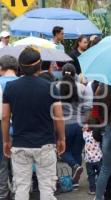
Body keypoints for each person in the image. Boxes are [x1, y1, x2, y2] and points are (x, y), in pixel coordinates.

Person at [1, 47, 65, 200]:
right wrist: (61, 138)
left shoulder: (11, 87)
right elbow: (59, 117)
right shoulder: (51, 87)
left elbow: (4, 116)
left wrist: (6, 141)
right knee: (47, 189)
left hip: (20, 143)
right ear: (39, 65)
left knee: (21, 188)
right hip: (45, 144)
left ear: (20, 67)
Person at [59, 63, 93, 188]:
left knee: (62, 150)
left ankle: (75, 167)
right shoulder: (82, 88)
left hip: (64, 125)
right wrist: (84, 122)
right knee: (77, 152)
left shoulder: (56, 87)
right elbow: (88, 108)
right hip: (79, 125)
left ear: (62, 74)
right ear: (75, 75)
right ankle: (76, 182)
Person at [0, 55, 18, 200]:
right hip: (21, 128)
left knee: (2, 163)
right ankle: (20, 193)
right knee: (20, 164)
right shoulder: (23, 82)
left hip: (2, 127)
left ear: (1, 68)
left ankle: (3, 194)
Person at [82, 123, 102, 195]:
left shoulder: (85, 135)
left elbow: (83, 130)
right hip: (98, 158)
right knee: (100, 173)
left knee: (91, 175)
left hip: (89, 160)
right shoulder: (97, 135)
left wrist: (84, 129)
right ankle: (101, 188)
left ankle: (92, 190)